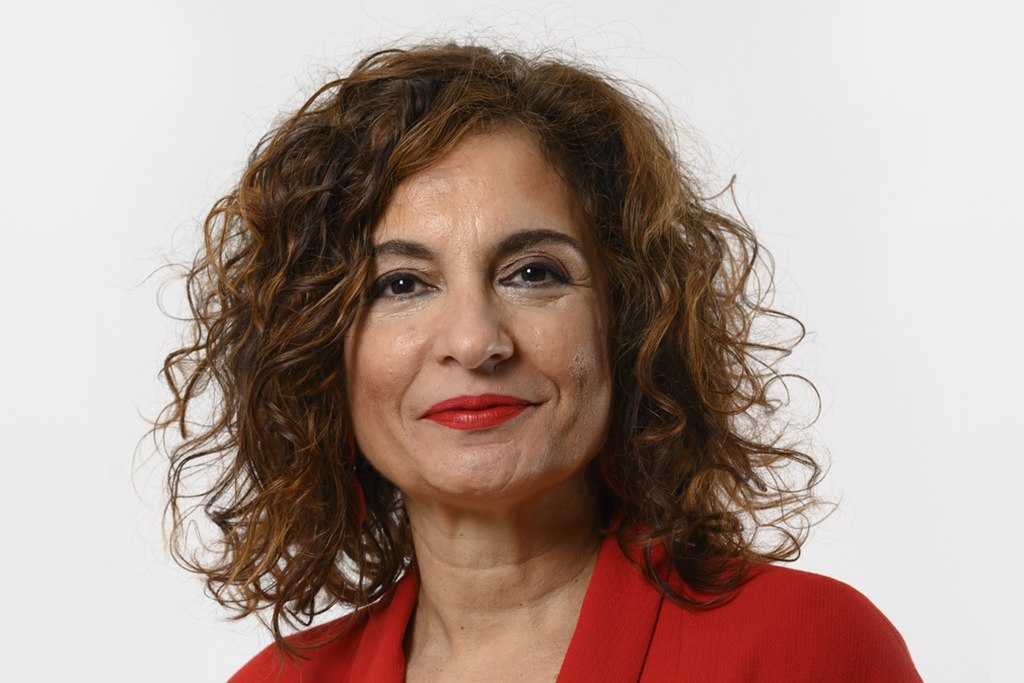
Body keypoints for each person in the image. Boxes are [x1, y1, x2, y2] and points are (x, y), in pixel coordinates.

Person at [157, 43, 921, 681]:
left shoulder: (802, 645)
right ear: (315, 348)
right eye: (401, 284)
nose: (474, 341)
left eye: (533, 273)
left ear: (628, 318)